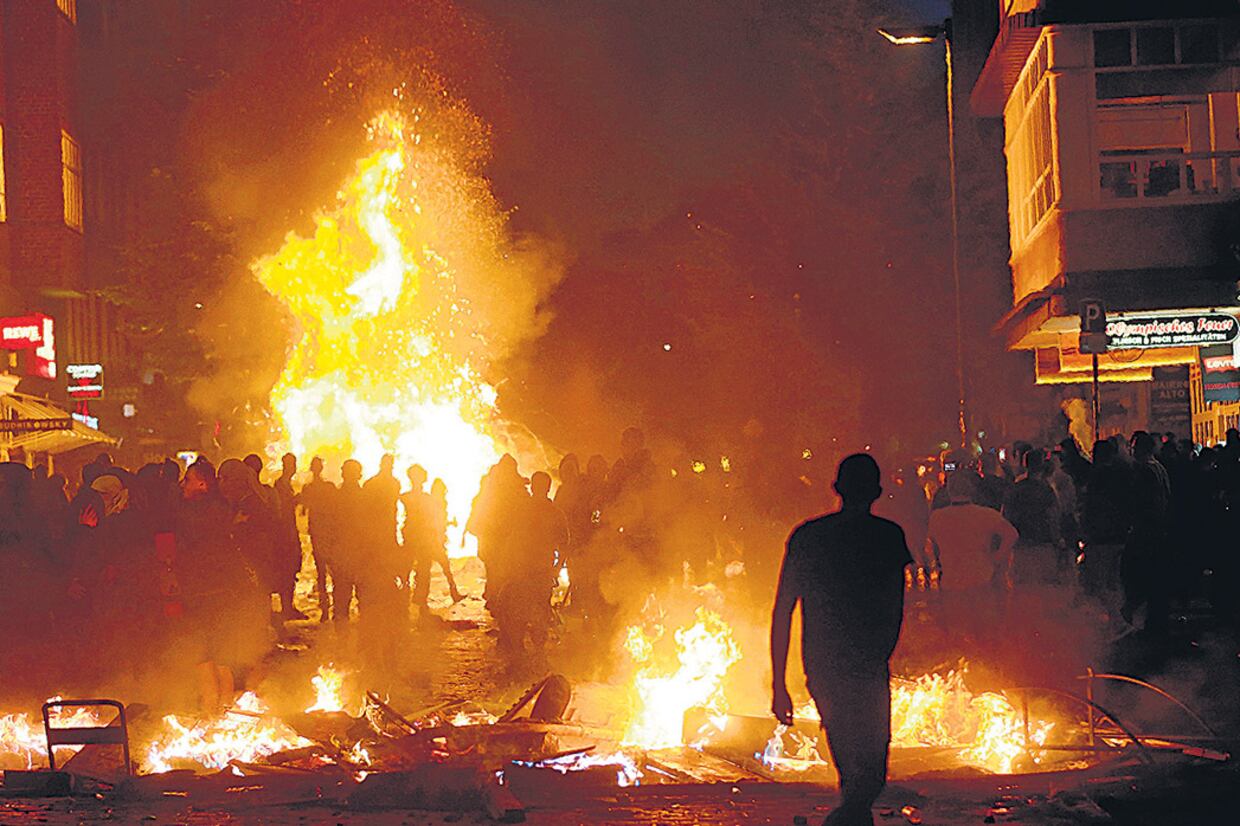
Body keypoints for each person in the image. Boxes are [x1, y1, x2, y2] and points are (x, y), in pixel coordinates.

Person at [771, 454, 912, 826]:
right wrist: (884, 653)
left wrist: (779, 683)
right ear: (878, 492)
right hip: (865, 665)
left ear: (836, 489)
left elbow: (783, 611)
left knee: (854, 769)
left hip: (825, 665)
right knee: (868, 771)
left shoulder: (808, 536)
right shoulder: (888, 537)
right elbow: (896, 606)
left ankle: (846, 818)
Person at [926, 472, 1018, 653]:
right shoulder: (986, 515)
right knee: (985, 633)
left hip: (952, 582)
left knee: (958, 635)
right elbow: (1011, 534)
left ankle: (965, 669)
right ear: (972, 490)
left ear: (949, 491)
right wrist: (997, 558)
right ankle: (987, 670)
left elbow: (933, 546)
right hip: (981, 578)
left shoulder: (937, 517)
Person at [495, 471, 567, 651]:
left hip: (534, 570)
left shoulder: (549, 513)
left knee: (534, 610)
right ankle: (528, 649)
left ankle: (532, 649)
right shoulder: (524, 510)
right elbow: (511, 538)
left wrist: (556, 569)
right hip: (527, 569)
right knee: (530, 608)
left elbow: (563, 544)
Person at [299, 457, 339, 623]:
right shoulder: (328, 488)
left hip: (318, 532)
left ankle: (325, 609)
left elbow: (302, 511)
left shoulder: (308, 488)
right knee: (334, 571)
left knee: (321, 572)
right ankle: (334, 608)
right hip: (328, 532)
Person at [330, 459, 366, 629]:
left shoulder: (337, 496)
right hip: (354, 551)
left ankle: (343, 633)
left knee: (342, 595)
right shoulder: (363, 496)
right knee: (360, 594)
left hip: (345, 551)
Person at [272, 453, 307, 620]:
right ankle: (286, 608)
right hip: (285, 532)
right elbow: (283, 507)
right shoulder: (281, 484)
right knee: (287, 568)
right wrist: (297, 500)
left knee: (291, 568)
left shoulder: (286, 484)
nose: (293, 467)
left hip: (288, 530)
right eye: (291, 464)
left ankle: (289, 606)